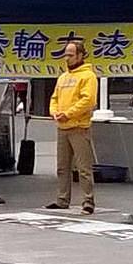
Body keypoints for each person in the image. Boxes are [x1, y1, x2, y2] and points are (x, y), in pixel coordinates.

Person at [46, 41, 98, 213]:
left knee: (83, 167)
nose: (67, 58)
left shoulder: (88, 76)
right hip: (62, 127)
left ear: (80, 55)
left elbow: (88, 101)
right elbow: (54, 98)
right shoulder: (63, 77)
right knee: (62, 167)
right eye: (66, 54)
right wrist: (55, 112)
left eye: (70, 55)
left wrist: (68, 113)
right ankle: (62, 199)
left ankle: (88, 201)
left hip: (79, 127)